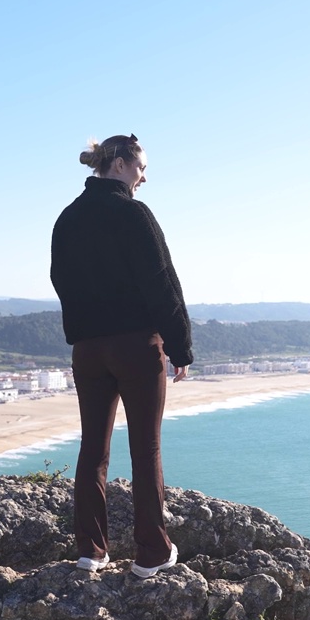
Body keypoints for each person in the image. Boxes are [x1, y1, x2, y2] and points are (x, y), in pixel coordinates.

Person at [50, 133, 194, 579]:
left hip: (88, 351)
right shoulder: (134, 214)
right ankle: (152, 552)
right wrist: (179, 345)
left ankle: (91, 551)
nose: (144, 177)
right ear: (118, 165)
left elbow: (60, 279)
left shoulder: (67, 218)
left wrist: (85, 325)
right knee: (144, 447)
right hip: (135, 346)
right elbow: (162, 285)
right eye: (141, 168)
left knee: (93, 447)